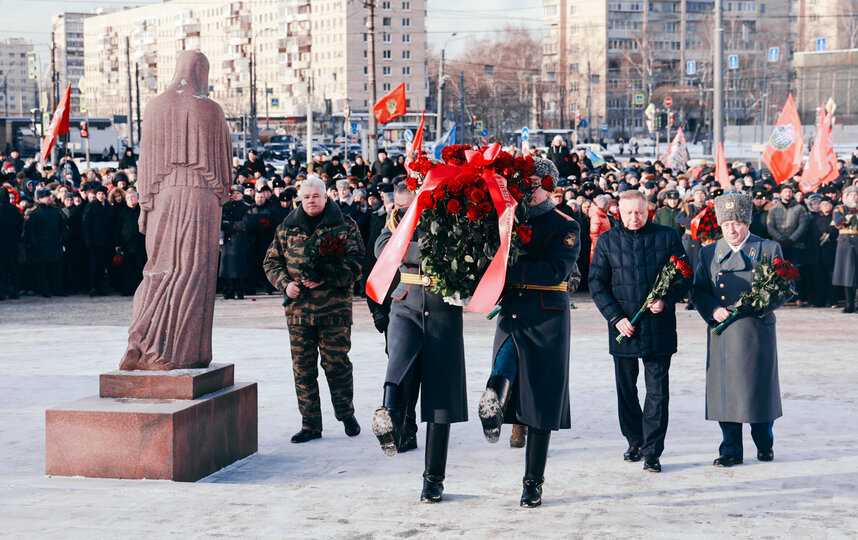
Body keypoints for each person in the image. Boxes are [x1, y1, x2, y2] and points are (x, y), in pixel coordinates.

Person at [478, 158, 581, 507]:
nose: (527, 189)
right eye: (523, 182)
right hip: (513, 311)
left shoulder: (564, 224)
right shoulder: (510, 218)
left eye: (534, 182)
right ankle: (491, 406)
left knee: (541, 402)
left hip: (547, 318)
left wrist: (506, 268)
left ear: (550, 184)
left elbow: (554, 272)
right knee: (503, 364)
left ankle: (532, 483)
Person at [120, 51, 232, 371]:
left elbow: (146, 162)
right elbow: (223, 166)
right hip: (201, 197)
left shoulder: (154, 106)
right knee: (192, 272)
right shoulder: (210, 108)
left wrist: (145, 204)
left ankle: (139, 338)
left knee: (158, 269)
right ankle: (180, 352)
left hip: (162, 197)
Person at [371, 183, 468, 503]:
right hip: (406, 305)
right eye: (398, 207)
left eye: (410, 206)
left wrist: (420, 245)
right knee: (397, 362)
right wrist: (411, 233)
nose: (402, 212)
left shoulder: (451, 220)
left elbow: (463, 253)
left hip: (443, 310)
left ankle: (433, 480)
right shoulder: (395, 222)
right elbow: (384, 250)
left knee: (440, 401)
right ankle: (389, 417)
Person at [589, 190, 690, 473]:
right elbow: (597, 284)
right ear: (617, 212)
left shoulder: (667, 236)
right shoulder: (608, 240)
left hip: (658, 327)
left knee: (657, 392)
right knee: (626, 390)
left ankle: (652, 450)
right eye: (628, 213)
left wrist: (666, 300)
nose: (634, 218)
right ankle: (634, 440)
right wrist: (615, 317)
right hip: (624, 327)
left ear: (649, 211)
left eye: (640, 212)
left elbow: (684, 276)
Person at [263, 177, 364, 443]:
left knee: (337, 365)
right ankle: (310, 424)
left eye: (316, 197)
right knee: (303, 369)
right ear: (300, 197)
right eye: (306, 197)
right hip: (299, 313)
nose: (311, 201)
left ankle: (346, 413)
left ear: (326, 196)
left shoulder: (344, 225)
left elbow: (357, 263)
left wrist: (328, 277)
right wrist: (285, 285)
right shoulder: (287, 228)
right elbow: (271, 263)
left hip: (334, 311)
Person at [690, 192, 787, 467]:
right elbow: (698, 291)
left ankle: (764, 441)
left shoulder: (768, 249)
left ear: (747, 223)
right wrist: (712, 309)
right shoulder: (709, 252)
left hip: (757, 331)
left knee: (758, 390)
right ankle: (730, 449)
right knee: (726, 392)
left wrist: (760, 306)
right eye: (725, 224)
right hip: (724, 331)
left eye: (737, 222)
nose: (731, 230)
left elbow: (784, 288)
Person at [24, 188, 66, 298]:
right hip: (41, 244)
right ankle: (45, 290)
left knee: (57, 269)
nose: (48, 198)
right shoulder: (33, 212)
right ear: (39, 198)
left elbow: (62, 227)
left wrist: (63, 239)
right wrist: (34, 244)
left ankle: (57, 289)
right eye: (45, 196)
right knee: (42, 270)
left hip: (55, 243)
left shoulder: (55, 210)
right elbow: (30, 230)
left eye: (49, 196)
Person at [220, 184, 255, 299]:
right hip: (228, 239)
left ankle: (239, 291)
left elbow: (245, 223)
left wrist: (230, 225)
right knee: (227, 268)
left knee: (239, 268)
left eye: (238, 193)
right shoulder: (228, 206)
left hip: (239, 239)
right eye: (233, 193)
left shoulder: (246, 207)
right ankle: (228, 291)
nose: (235, 195)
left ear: (242, 194)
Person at [832, 185, 858, 312]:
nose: (855, 197)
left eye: (856, 195)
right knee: (847, 274)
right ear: (846, 197)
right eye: (852, 195)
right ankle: (849, 303)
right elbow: (838, 222)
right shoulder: (840, 208)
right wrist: (849, 217)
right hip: (845, 243)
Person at [0, 186, 23, 300]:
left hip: (1, 244)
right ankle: (16, 291)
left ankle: (2, 292)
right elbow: (20, 226)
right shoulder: (14, 209)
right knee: (14, 268)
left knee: (2, 268)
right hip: (13, 242)